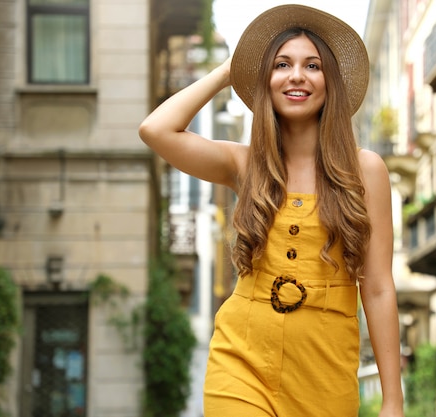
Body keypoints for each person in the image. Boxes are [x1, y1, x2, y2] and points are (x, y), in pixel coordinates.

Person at [139, 4, 404, 417]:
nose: (297, 75)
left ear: (330, 82)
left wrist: (393, 400)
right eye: (281, 64)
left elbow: (379, 287)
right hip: (242, 357)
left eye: (312, 65)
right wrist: (230, 69)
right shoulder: (245, 165)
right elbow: (156, 130)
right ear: (266, 80)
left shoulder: (366, 170)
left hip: (325, 368)